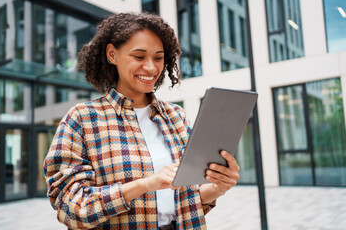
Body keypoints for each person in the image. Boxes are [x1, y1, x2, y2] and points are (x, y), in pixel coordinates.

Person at [44, 12, 240, 230]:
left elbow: (186, 200)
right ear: (112, 54)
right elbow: (72, 208)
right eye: (139, 57)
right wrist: (145, 184)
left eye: (158, 58)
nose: (151, 67)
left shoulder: (176, 116)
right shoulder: (82, 119)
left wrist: (218, 188)